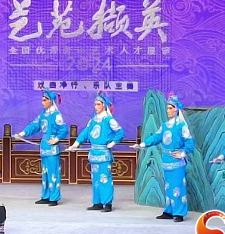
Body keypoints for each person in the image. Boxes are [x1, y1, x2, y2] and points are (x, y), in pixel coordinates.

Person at [134, 92, 195, 222]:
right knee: (168, 187)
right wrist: (143, 144)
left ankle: (179, 213)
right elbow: (156, 137)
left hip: (177, 161)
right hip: (166, 161)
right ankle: (169, 211)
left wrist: (182, 153)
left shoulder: (181, 126)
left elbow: (190, 143)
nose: (168, 110)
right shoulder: (165, 126)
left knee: (177, 186)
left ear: (176, 109)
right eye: (167, 108)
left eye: (170, 108)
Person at [66, 91, 124, 212]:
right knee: (95, 179)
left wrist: (113, 142)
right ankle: (97, 202)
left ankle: (107, 203)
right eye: (95, 104)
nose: (96, 107)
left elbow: (120, 132)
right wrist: (75, 144)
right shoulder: (92, 120)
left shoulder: (108, 120)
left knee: (104, 178)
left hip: (104, 154)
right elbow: (85, 133)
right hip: (94, 153)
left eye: (98, 104)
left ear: (104, 105)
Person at [14, 88, 68, 206]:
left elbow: (64, 129)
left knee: (53, 173)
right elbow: (34, 125)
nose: (42, 102)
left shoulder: (56, 115)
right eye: (42, 100)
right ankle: (46, 196)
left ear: (50, 101)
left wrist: (57, 139)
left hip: (52, 148)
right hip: (44, 147)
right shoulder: (43, 114)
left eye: (44, 100)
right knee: (45, 173)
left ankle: (54, 197)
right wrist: (22, 133)